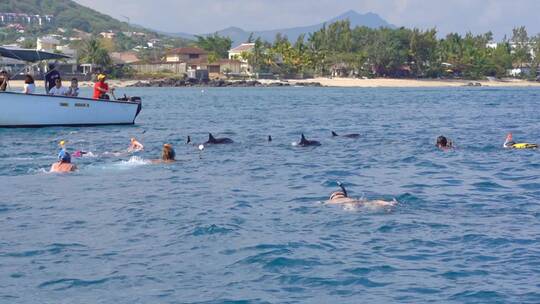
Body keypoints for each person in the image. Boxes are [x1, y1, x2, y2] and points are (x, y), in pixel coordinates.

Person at [326, 182, 397, 209]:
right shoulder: (350, 198)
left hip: (347, 205)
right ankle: (389, 203)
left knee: (352, 209)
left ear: (332, 197)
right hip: (357, 201)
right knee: (373, 202)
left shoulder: (329, 202)